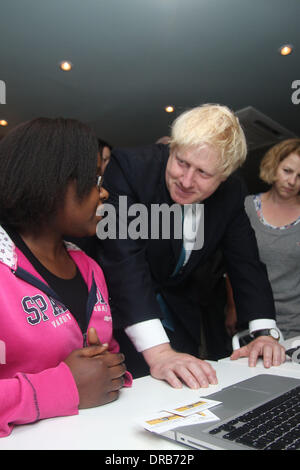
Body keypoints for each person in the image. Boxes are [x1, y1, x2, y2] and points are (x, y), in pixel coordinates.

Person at [97, 104, 286, 389]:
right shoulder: (130, 166)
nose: (186, 181)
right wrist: (159, 352)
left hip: (178, 310)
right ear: (172, 147)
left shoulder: (232, 190)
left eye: (204, 174)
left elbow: (245, 260)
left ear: (223, 177)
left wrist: (263, 332)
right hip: (120, 313)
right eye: (182, 163)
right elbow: (121, 258)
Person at [0, 117, 131, 438]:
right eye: (93, 178)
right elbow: (75, 383)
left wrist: (110, 370)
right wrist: (63, 387)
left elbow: (106, 354)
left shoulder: (89, 267)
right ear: (49, 181)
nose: (103, 193)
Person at [238, 139, 300, 340]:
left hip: (295, 323)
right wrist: (231, 307)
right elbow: (234, 263)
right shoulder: (246, 207)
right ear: (274, 166)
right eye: (287, 171)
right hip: (250, 319)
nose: (292, 182)